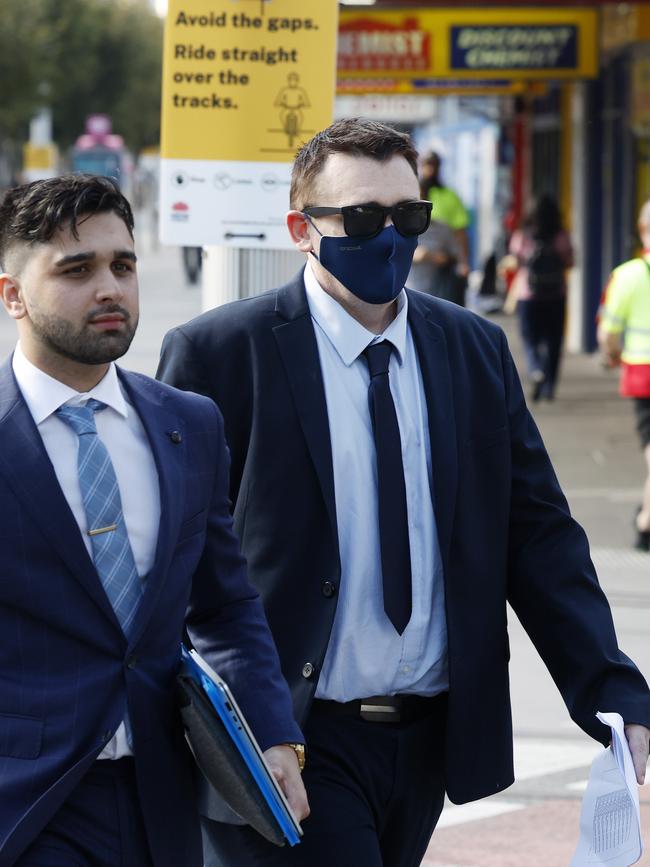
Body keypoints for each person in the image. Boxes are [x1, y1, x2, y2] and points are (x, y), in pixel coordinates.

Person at [157, 119, 650, 867]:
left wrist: (614, 692)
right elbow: (175, 559)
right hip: (291, 736)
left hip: (426, 741)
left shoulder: (474, 349)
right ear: (301, 229)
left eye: (406, 218)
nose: (389, 238)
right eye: (361, 219)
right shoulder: (222, 353)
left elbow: (537, 535)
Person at [0, 174, 308, 867]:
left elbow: (226, 604)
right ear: (12, 294)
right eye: (76, 269)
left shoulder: (189, 424)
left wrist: (273, 733)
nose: (109, 287)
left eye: (123, 264)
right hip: (26, 804)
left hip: (161, 798)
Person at [598, 199, 650, 552]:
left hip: (642, 374)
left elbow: (608, 333)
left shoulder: (628, 275)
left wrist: (611, 355)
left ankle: (646, 520)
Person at [508, 195, 574, 401]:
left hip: (529, 294)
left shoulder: (524, 235)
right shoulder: (561, 235)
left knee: (530, 338)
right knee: (554, 341)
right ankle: (549, 388)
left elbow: (516, 260)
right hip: (556, 294)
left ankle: (535, 368)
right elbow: (570, 261)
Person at [408, 176, 463, 303]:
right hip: (406, 294)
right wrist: (414, 255)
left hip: (438, 296)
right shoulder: (396, 227)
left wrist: (439, 258)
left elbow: (456, 257)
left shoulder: (442, 228)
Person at [419, 150, 470, 284]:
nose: (430, 169)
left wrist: (463, 262)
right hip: (417, 260)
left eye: (433, 165)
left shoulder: (449, 195)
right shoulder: (413, 192)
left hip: (442, 261)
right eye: (427, 164)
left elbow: (460, 232)